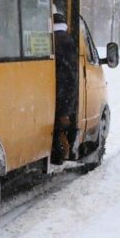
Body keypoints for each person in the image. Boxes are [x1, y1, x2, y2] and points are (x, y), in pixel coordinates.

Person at [52, 12, 78, 165]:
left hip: (50, 91)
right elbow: (70, 77)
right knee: (61, 127)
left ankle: (60, 152)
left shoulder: (51, 39)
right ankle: (61, 153)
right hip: (62, 94)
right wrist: (66, 110)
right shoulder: (67, 41)